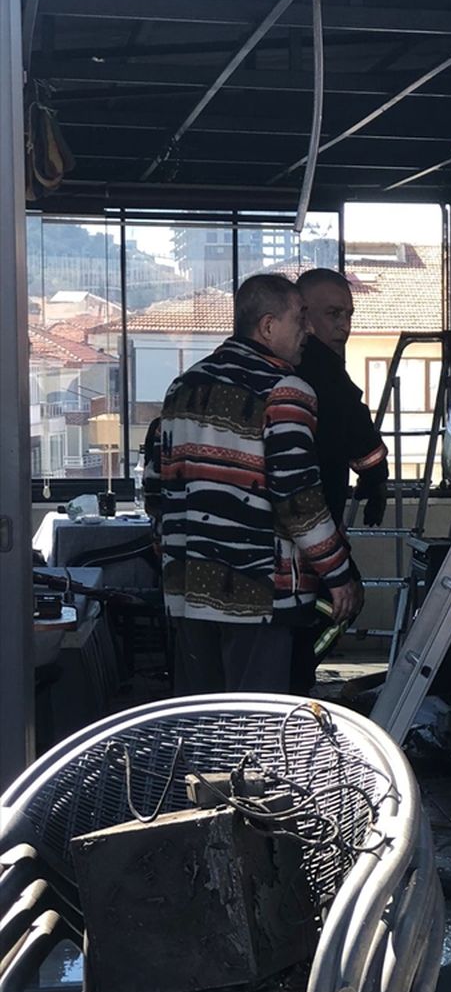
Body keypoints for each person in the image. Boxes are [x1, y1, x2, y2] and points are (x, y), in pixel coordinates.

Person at [147, 272, 362, 695]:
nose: (309, 330)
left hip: (187, 591)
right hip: (260, 597)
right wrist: (338, 574)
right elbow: (298, 501)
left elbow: (157, 489)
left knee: (202, 717)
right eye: (300, 319)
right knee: (256, 721)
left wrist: (170, 558)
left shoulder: (182, 388)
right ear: (267, 326)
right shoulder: (284, 391)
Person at [291, 268, 389, 693]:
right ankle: (296, 677)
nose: (344, 327)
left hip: (292, 536)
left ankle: (291, 674)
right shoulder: (323, 371)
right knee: (345, 598)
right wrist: (375, 478)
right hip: (309, 530)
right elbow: (361, 435)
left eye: (348, 315)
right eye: (333, 314)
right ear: (301, 315)